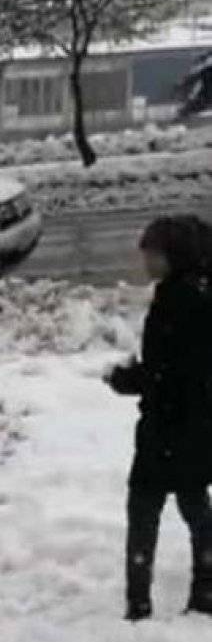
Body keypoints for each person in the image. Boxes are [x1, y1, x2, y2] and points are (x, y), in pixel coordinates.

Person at [105, 214, 212, 621]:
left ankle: (138, 602)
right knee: (194, 501)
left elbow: (166, 373)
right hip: (199, 422)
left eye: (153, 253)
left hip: (168, 426)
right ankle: (205, 587)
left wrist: (125, 378)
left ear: (173, 256)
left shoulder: (175, 302)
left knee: (144, 507)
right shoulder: (201, 292)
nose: (146, 261)